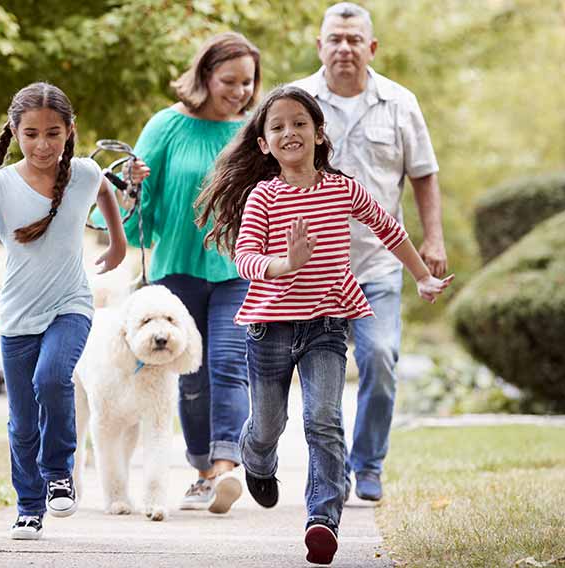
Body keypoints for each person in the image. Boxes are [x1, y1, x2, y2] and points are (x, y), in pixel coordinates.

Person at [195, 86, 452, 565]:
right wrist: (284, 264)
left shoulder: (342, 188)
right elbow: (246, 257)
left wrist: (421, 276)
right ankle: (257, 460)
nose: (289, 132)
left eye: (299, 123)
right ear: (264, 145)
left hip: (326, 325)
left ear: (318, 133)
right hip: (270, 326)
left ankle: (322, 519)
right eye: (277, 127)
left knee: (324, 420)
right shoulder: (262, 196)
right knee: (268, 424)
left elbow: (389, 228)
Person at [0, 82, 142, 541]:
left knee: (52, 379)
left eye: (52, 133)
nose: (42, 144)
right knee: (22, 421)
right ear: (15, 132)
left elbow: (105, 192)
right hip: (18, 317)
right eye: (31, 134)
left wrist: (118, 243)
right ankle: (28, 506)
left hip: (71, 304)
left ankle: (60, 473)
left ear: (69, 131)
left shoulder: (83, 172)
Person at [293, 2, 448, 503]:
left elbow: (423, 173)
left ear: (371, 47)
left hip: (380, 262)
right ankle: (330, 473)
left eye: (354, 39)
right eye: (334, 39)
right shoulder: (297, 103)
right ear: (320, 46)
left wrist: (433, 239)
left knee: (380, 358)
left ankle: (369, 463)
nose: (343, 48)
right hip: (314, 269)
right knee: (320, 379)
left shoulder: (401, 103)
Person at [124, 31, 261, 514]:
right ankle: (202, 469)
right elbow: (135, 203)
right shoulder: (166, 126)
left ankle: (226, 467)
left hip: (236, 270)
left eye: (248, 82)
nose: (241, 91)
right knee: (192, 375)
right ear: (205, 76)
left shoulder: (252, 134)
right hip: (177, 270)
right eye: (230, 80)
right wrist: (131, 186)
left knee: (228, 364)